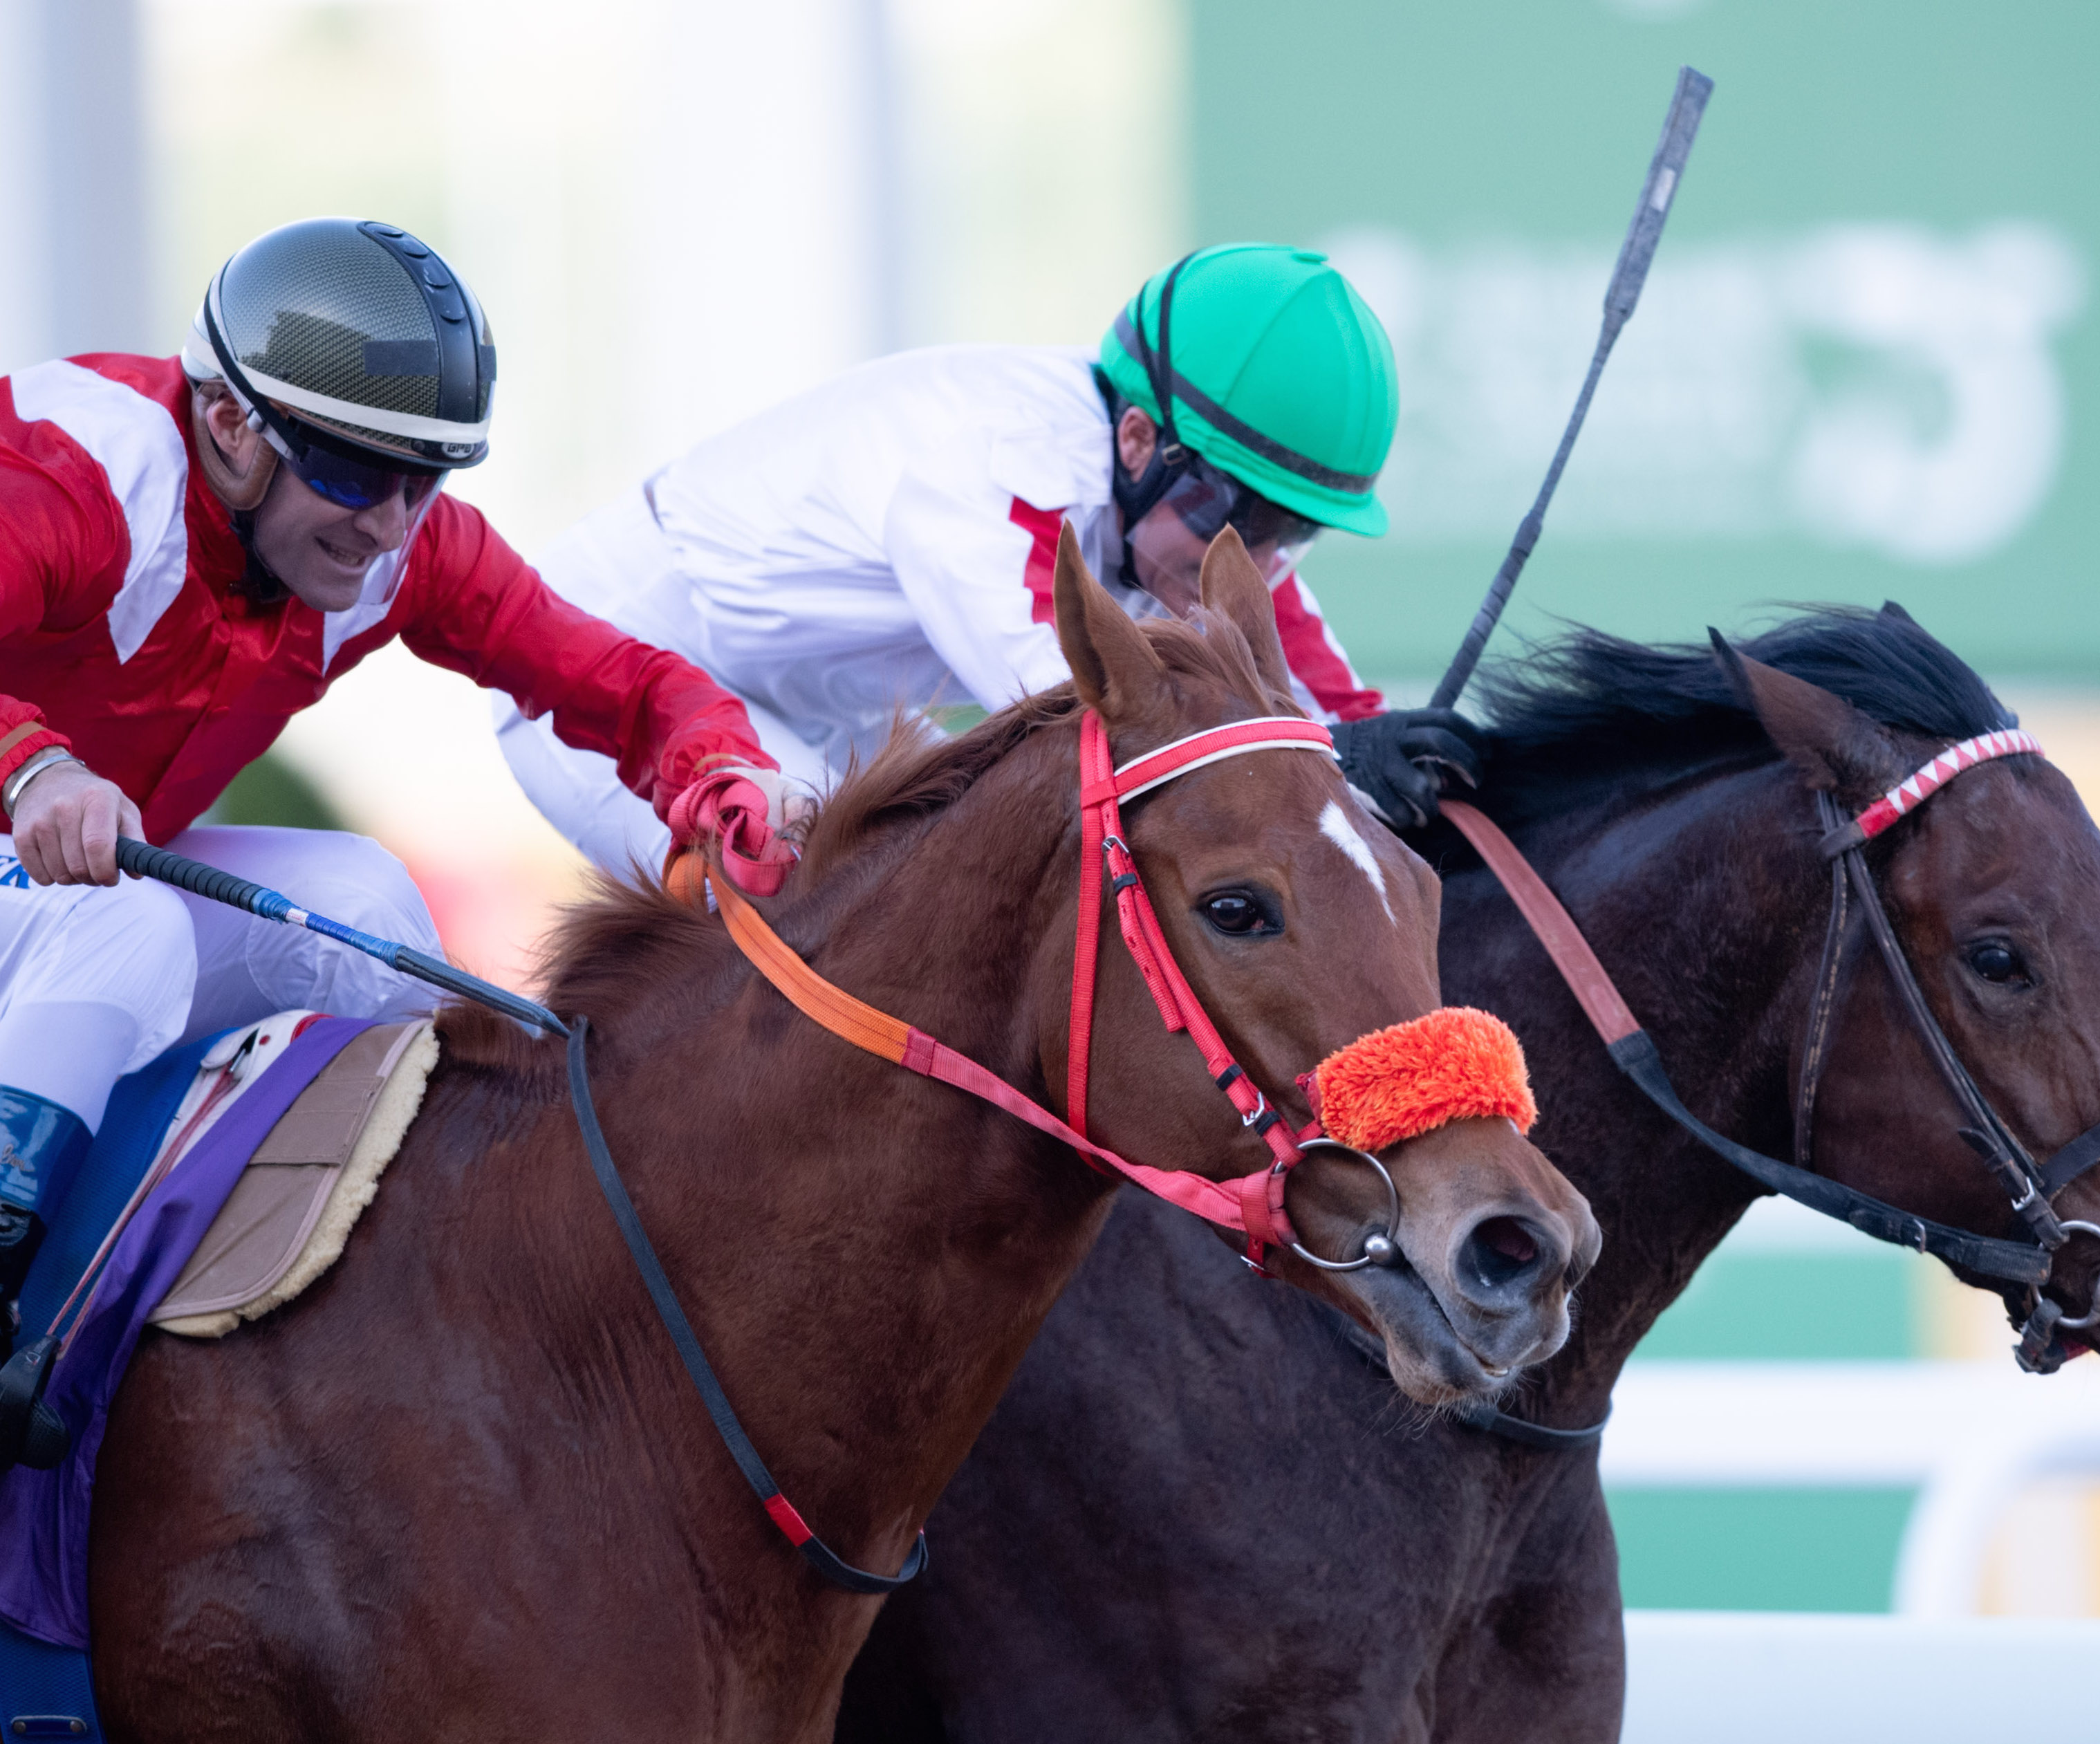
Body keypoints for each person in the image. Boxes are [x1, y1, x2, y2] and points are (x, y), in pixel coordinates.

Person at [0, 218, 800, 1364]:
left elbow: (621, 683)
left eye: (423, 480)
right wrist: (33, 759)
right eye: (353, 470)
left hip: (47, 896)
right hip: (68, 895)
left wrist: (718, 771)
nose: (387, 526)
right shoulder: (83, 473)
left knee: (367, 903)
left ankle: (406, 1303)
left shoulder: (397, 553)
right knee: (127, 927)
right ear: (229, 422)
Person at [495, 242, 1483, 878]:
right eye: (1244, 514)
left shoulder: (1183, 507)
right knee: (830, 903)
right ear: (1139, 442)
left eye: (1292, 531)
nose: (1258, 558)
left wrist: (1425, 772)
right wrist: (1328, 761)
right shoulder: (998, 476)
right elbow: (1096, 723)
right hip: (615, 664)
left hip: (813, 711)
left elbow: (1343, 719)